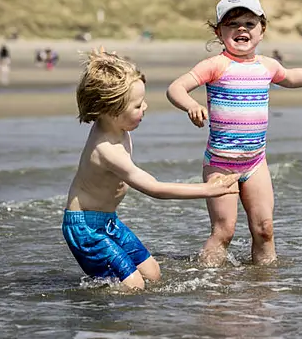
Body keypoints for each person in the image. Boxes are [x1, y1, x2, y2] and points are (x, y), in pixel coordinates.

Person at [166, 0, 302, 267]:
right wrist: (190, 105)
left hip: (256, 162)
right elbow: (175, 88)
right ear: (219, 33)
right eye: (232, 24)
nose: (241, 29)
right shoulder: (216, 65)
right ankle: (207, 283)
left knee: (264, 229)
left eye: (249, 23)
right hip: (220, 163)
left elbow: (291, 77)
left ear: (262, 30)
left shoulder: (267, 65)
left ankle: (264, 285)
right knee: (224, 231)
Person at [62, 49, 242, 290]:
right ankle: (97, 315)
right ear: (110, 110)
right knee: (134, 285)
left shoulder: (117, 126)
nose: (145, 107)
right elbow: (155, 189)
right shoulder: (106, 149)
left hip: (107, 220)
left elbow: (105, 84)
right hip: (85, 227)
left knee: (153, 274)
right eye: (137, 105)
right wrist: (209, 189)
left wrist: (108, 62)